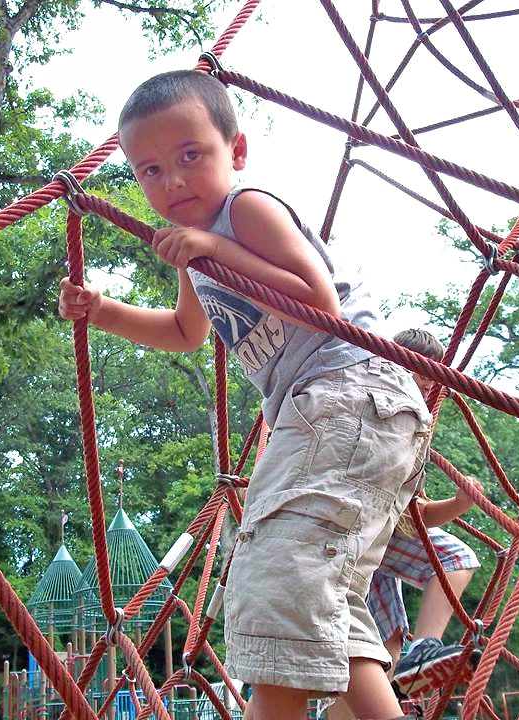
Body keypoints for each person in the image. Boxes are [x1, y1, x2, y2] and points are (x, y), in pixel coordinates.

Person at [58, 69, 430, 720]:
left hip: (350, 390)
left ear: (237, 152)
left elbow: (320, 301)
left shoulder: (247, 208)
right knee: (320, 593)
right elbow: (182, 332)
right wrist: (102, 310)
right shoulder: (193, 253)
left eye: (190, 157)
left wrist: (213, 251)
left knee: (275, 571)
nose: (170, 182)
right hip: (330, 412)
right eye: (148, 171)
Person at [329, 329, 482, 720]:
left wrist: (459, 504)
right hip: (346, 529)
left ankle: (407, 670)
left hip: (378, 539)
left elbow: (415, 515)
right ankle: (422, 652)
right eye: (417, 370)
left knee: (386, 637)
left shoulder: (416, 425)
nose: (426, 382)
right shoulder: (369, 400)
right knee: (455, 557)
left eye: (433, 375)